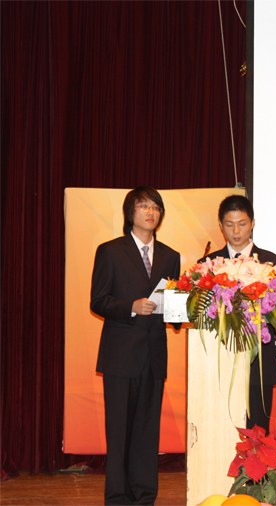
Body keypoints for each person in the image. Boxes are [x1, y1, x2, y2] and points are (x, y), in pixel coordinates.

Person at [90, 186, 181, 505]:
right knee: (119, 431)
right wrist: (130, 306)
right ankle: (118, 497)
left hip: (154, 356)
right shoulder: (110, 251)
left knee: (147, 431)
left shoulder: (170, 256)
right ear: (131, 212)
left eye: (155, 207)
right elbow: (98, 300)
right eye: (143, 206)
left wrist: (188, 307)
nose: (150, 212)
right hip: (120, 356)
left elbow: (174, 311)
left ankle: (144, 495)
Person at [201, 194, 276, 434]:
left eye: (242, 223)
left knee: (258, 431)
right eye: (229, 224)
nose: (236, 231)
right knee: (221, 431)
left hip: (259, 362)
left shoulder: (272, 264)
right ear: (221, 225)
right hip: (220, 359)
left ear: (253, 223)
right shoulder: (208, 264)